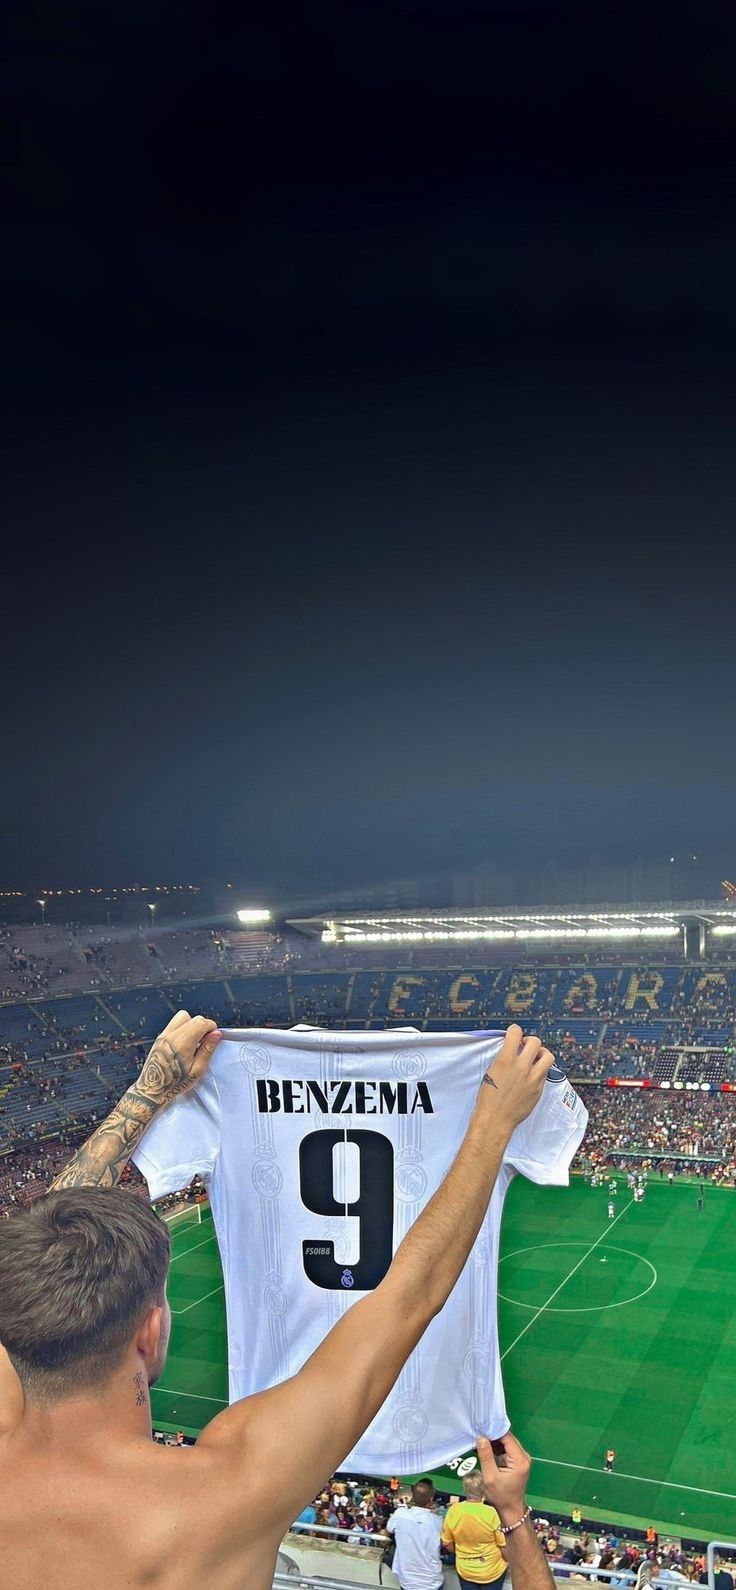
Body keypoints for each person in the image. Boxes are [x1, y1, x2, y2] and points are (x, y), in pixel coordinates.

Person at [0, 1012, 556, 1590]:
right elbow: (407, 1298)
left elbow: (39, 1249)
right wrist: (492, 1122)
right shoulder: (222, 1494)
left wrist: (149, 1091)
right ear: (149, 1330)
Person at [441, 1470, 508, 1588]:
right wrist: (509, 1562)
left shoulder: (453, 1511)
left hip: (465, 1570)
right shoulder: (491, 1513)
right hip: (492, 1571)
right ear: (484, 1490)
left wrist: (463, 1554)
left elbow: (447, 1543)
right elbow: (503, 1545)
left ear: (465, 1489)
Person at [386, 1478, 443, 1590]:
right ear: (431, 1497)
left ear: (413, 1494)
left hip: (407, 1581)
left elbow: (388, 1530)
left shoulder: (400, 1514)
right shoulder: (439, 1521)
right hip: (432, 1582)